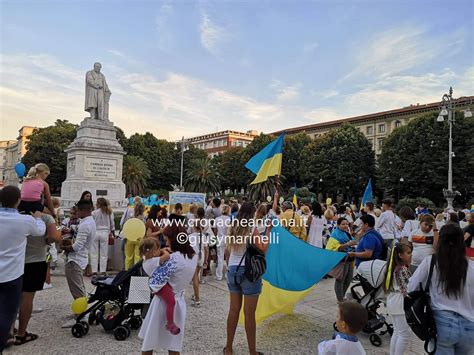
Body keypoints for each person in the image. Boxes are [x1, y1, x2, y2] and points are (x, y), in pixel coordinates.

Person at [408, 224, 474, 354]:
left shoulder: (431, 262)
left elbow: (412, 287)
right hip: (469, 325)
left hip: (441, 323)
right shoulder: (471, 267)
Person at [139, 225, 197, 355]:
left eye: (167, 239)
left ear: (173, 239)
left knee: (149, 342)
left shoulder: (173, 259)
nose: (166, 242)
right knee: (174, 345)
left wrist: (150, 258)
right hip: (179, 300)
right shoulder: (193, 256)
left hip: (161, 303)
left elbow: (152, 273)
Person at [0, 186, 46, 351]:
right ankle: (4, 339)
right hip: (12, 274)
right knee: (8, 312)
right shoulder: (24, 221)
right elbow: (40, 232)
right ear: (18, 201)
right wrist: (39, 218)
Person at [224, 202, 271, 355]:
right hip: (248, 272)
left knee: (233, 310)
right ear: (252, 214)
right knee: (249, 314)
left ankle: (228, 348)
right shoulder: (252, 228)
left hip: (232, 270)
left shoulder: (232, 226)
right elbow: (263, 248)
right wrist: (269, 231)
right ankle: (252, 351)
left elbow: (227, 251)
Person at [15, 207, 61, 345]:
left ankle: (9, 330)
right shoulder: (45, 218)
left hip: (15, 261)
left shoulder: (15, 215)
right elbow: (54, 237)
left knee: (11, 296)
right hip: (35, 261)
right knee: (27, 297)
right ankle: (21, 333)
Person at [60, 200, 96, 313]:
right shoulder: (88, 222)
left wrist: (63, 247)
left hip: (75, 259)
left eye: (78, 210)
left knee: (77, 290)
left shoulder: (85, 224)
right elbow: (79, 228)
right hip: (81, 258)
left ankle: (81, 315)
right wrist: (72, 228)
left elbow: (76, 246)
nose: (76, 212)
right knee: (79, 287)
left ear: (84, 210)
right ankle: (82, 312)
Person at [139, 238, 179, 335]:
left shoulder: (146, 259)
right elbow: (167, 256)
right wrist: (164, 251)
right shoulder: (152, 261)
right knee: (171, 302)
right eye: (157, 249)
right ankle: (170, 323)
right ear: (153, 252)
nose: (160, 250)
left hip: (158, 284)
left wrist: (159, 250)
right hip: (159, 286)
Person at [383, 242, 413, 355]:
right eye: (408, 253)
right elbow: (407, 288)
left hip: (393, 300)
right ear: (400, 255)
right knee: (403, 334)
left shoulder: (394, 267)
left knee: (397, 331)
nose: (411, 255)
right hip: (400, 302)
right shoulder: (402, 269)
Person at [326, 218, 357, 301]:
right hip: (341, 260)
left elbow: (353, 242)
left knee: (348, 279)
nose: (345, 226)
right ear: (338, 225)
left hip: (350, 258)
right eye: (343, 224)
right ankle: (340, 299)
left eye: (347, 224)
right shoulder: (335, 234)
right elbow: (335, 248)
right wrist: (347, 244)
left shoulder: (347, 233)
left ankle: (342, 296)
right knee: (340, 279)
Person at [188, 207, 211, 306]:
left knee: (195, 279)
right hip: (201, 258)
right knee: (196, 276)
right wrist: (206, 261)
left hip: (194, 258)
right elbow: (206, 249)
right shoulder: (203, 236)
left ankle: (197, 299)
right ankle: (195, 294)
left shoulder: (191, 236)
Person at [91, 197, 114, 275]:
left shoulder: (94, 213)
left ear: (98, 204)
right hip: (105, 232)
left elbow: (91, 223)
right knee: (104, 253)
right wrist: (112, 231)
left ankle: (94, 270)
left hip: (95, 232)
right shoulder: (109, 212)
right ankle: (102, 270)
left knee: (94, 252)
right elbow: (112, 224)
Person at [125, 201, 146, 270]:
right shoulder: (143, 218)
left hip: (130, 238)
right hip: (139, 239)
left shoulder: (131, 217)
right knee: (138, 257)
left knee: (128, 257)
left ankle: (127, 272)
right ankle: (136, 273)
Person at [215, 204, 231, 281]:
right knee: (228, 258)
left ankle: (219, 275)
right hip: (227, 238)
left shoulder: (217, 219)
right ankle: (227, 274)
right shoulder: (229, 219)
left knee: (220, 257)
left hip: (219, 238)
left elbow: (215, 230)